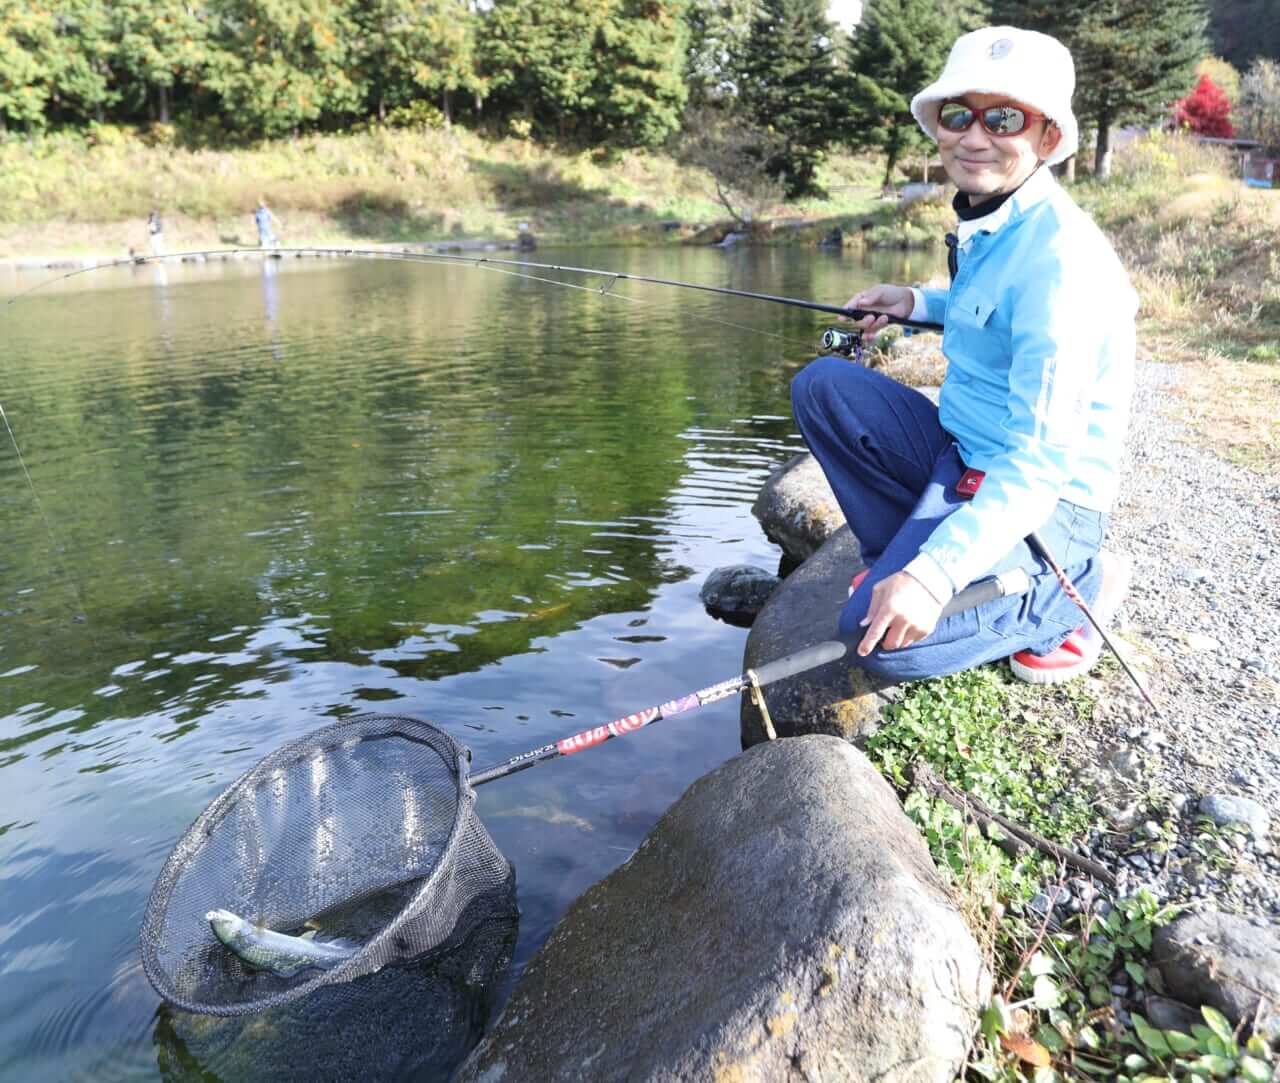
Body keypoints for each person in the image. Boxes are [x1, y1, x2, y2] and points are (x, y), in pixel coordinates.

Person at [790, 25, 1136, 687]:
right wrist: (913, 303)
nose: (974, 136)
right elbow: (992, 310)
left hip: (1048, 498)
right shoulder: (996, 214)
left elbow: (1039, 464)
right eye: (957, 115)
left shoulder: (1063, 266)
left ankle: (1079, 590)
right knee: (824, 386)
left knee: (872, 644)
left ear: (1049, 138)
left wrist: (933, 576)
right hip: (964, 452)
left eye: (1004, 118)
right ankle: (897, 559)